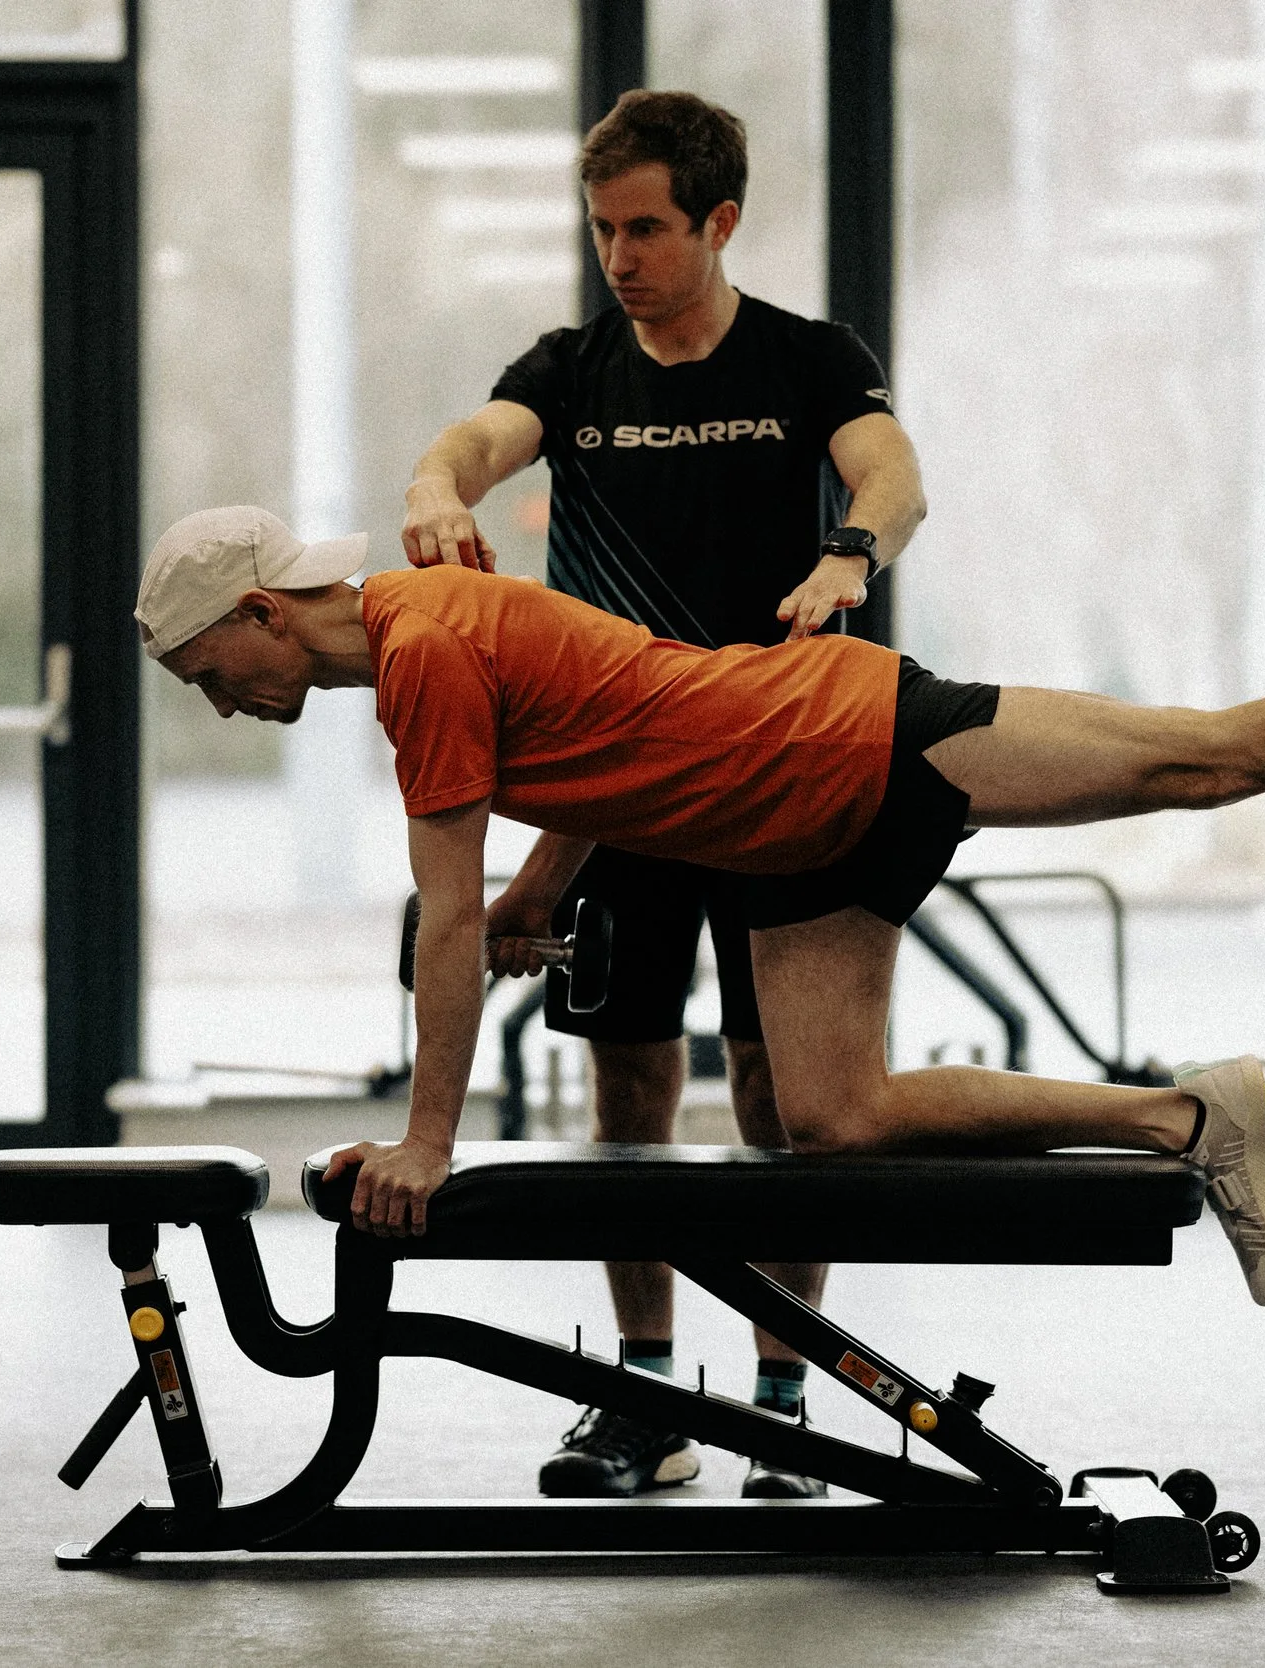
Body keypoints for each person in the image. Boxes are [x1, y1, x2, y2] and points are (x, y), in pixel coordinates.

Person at [134, 507, 1265, 1331]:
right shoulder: (429, 637)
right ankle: (1186, 1118)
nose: (226, 707)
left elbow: (446, 924)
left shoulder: (416, 650)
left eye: (216, 676)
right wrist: (554, 889)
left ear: (266, 612)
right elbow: (598, 744)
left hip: (851, 737)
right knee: (839, 1119)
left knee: (1205, 756)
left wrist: (428, 1144)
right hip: (786, 841)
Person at [396, 89, 927, 1501]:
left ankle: (782, 1399)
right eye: (602, 228)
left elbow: (892, 473)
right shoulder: (571, 371)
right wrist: (438, 488)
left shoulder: (810, 359)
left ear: (720, 223)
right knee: (628, 1085)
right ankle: (643, 1401)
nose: (620, 255)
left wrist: (848, 555)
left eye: (646, 228)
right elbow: (471, 441)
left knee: (782, 1100)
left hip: (782, 772)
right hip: (622, 794)